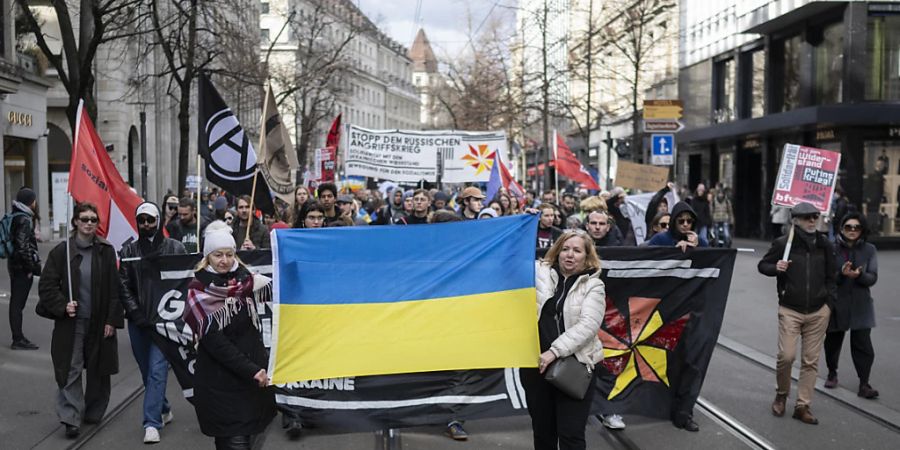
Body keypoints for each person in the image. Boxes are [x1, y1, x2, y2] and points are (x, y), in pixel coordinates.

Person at [183, 221, 276, 449]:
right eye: (217, 255)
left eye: (229, 254)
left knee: (245, 438)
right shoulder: (198, 289)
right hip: (220, 384)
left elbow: (281, 290)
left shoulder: (246, 281)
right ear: (207, 257)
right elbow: (217, 344)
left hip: (249, 384)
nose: (224, 260)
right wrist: (253, 370)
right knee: (234, 441)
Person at [37, 202, 123, 439]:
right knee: (70, 368)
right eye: (84, 219)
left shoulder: (106, 250)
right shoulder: (61, 252)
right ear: (75, 221)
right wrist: (62, 305)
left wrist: (111, 321)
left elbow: (115, 290)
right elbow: (46, 286)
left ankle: (94, 411)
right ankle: (71, 418)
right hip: (71, 323)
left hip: (99, 321)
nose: (88, 223)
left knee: (98, 368)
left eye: (93, 220)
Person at [523, 229, 605, 450]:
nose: (570, 255)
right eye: (565, 249)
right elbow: (510, 258)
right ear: (557, 252)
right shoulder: (539, 272)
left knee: (571, 435)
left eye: (577, 251)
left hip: (574, 369)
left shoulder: (594, 286)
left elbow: (588, 325)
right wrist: (525, 222)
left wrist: (555, 351)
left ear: (587, 257)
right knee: (543, 432)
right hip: (536, 367)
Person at [758, 202, 836, 425]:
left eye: (815, 216)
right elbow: (763, 265)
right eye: (807, 217)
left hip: (818, 311)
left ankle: (803, 405)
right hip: (790, 309)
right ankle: (782, 394)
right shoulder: (784, 244)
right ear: (796, 220)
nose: (812, 220)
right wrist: (776, 268)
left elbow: (832, 277)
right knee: (787, 356)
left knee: (811, 361)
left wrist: (829, 305)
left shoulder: (825, 245)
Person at [118, 202, 186, 443]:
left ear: (158, 220)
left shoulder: (175, 248)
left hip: (165, 321)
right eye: (142, 220)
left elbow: (185, 282)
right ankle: (164, 408)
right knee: (147, 370)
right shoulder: (128, 251)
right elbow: (124, 285)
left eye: (151, 220)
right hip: (139, 322)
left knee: (158, 369)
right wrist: (136, 314)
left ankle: (151, 423)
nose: (147, 224)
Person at [824, 213, 879, 399]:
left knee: (863, 345)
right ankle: (832, 372)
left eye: (856, 227)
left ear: (862, 230)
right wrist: (841, 273)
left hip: (861, 303)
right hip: (837, 302)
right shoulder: (831, 248)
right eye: (848, 227)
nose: (852, 230)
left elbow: (872, 277)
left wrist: (859, 276)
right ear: (841, 228)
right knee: (832, 342)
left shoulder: (870, 249)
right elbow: (827, 276)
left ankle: (864, 383)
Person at [7, 187, 42, 350]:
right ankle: (18, 339)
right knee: (17, 304)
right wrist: (30, 268)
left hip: (14, 265)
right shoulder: (24, 219)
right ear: (30, 201)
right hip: (21, 267)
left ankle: (18, 337)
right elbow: (22, 246)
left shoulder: (16, 215)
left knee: (16, 302)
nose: (35, 202)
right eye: (33, 199)